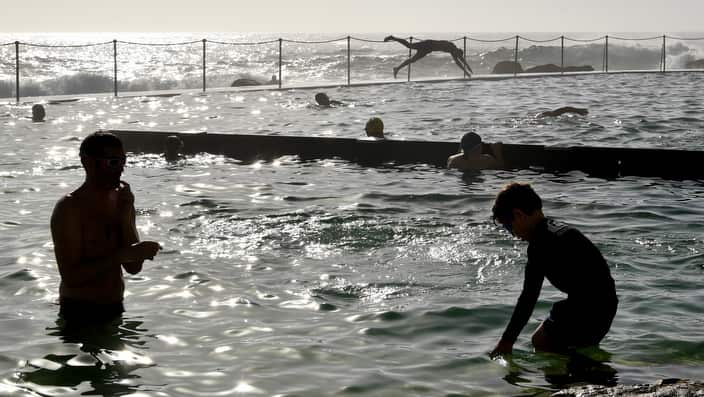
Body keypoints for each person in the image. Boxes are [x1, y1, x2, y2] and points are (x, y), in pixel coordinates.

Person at [489, 183, 617, 356]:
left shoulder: (540, 244)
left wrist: (506, 341)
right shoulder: (555, 228)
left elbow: (528, 298)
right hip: (604, 304)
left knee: (542, 342)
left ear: (518, 215)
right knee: (546, 340)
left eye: (508, 227)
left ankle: (579, 374)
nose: (513, 235)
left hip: (589, 308)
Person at [50, 131, 161, 323]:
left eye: (122, 161)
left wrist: (126, 215)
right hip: (79, 312)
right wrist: (121, 255)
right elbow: (71, 277)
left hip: (115, 307)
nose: (120, 169)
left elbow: (133, 267)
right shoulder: (70, 208)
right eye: (112, 162)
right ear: (87, 162)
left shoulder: (122, 201)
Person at [384, 35, 473, 78]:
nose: (456, 56)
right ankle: (393, 37)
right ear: (457, 51)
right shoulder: (451, 46)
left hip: (428, 50)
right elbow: (459, 61)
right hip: (427, 44)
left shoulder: (454, 52)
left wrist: (468, 70)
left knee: (412, 60)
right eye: (457, 55)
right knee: (409, 45)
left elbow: (461, 60)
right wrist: (467, 72)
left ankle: (397, 69)